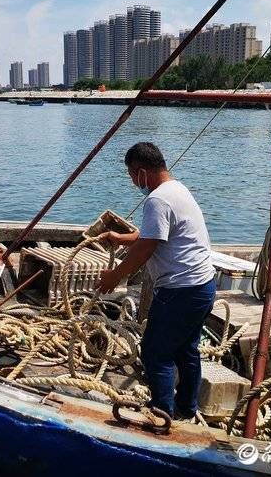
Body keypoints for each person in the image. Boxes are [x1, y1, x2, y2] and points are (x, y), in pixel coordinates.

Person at [97, 142, 215, 420]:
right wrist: (120, 238)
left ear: (141, 172)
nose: (132, 182)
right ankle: (187, 409)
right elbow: (153, 234)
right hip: (203, 287)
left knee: (155, 352)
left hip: (180, 291)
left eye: (131, 176)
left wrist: (115, 276)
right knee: (187, 350)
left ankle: (161, 415)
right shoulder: (177, 189)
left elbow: (147, 247)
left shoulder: (157, 200)